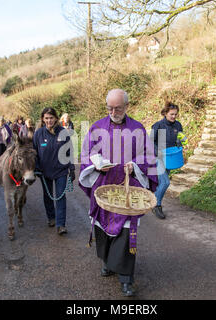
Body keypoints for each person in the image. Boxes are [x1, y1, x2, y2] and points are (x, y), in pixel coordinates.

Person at [78, 89, 158, 297]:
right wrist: (96, 165)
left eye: (118, 108)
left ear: (127, 106)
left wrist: (135, 165)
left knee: (125, 233)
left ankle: (126, 279)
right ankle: (107, 262)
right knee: (102, 230)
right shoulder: (96, 128)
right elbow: (86, 153)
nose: (114, 112)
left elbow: (149, 156)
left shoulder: (138, 130)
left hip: (128, 191)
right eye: (110, 108)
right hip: (103, 189)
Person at [33, 107, 75, 235]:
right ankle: (51, 217)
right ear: (42, 119)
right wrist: (36, 168)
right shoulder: (38, 134)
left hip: (60, 170)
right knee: (48, 196)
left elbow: (70, 151)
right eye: (46, 118)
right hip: (44, 172)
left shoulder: (63, 132)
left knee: (61, 197)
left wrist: (72, 169)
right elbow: (34, 153)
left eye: (51, 118)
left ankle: (61, 224)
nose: (49, 120)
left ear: (56, 118)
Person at [150, 102, 187, 219]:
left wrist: (180, 142)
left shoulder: (178, 125)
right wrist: (158, 153)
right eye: (171, 114)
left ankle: (154, 200)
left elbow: (181, 138)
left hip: (170, 158)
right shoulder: (157, 125)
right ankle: (156, 205)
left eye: (176, 114)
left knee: (162, 183)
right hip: (159, 158)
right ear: (165, 113)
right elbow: (150, 142)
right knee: (165, 182)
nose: (174, 117)